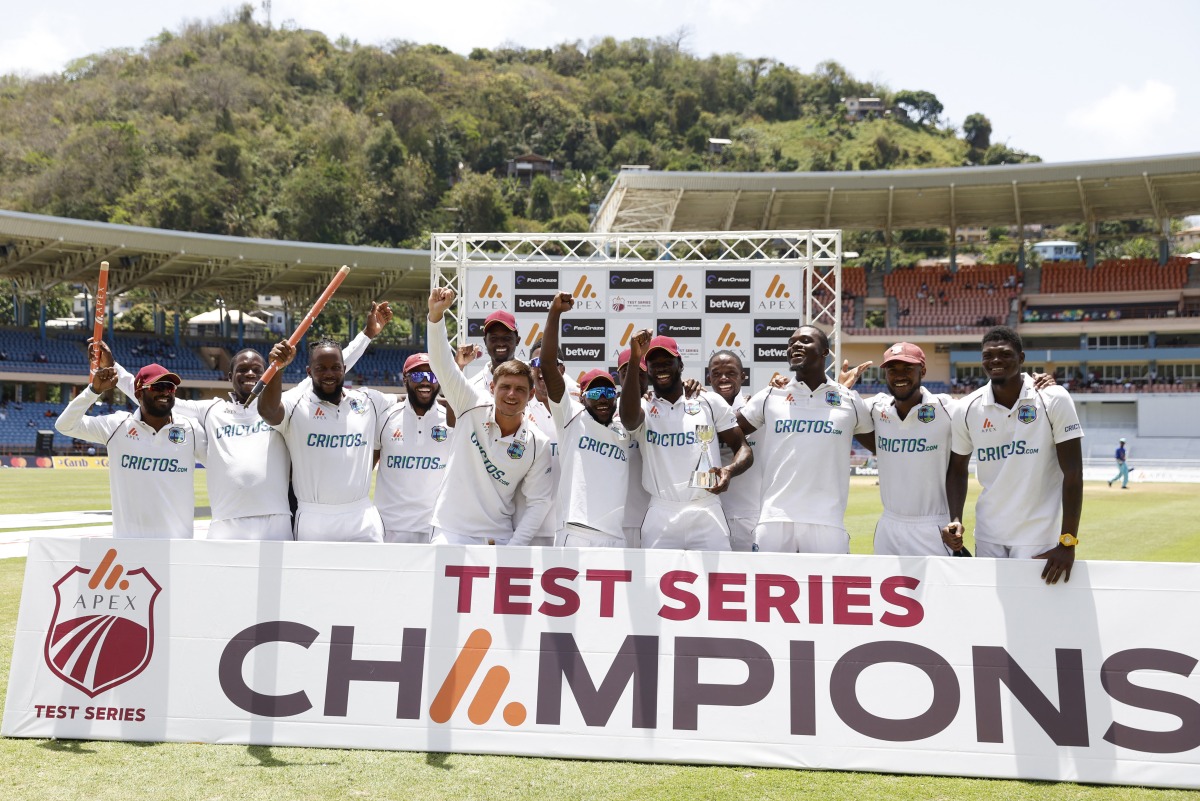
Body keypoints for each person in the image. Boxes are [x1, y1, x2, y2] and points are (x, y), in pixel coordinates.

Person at [96, 304, 389, 540]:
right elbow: (154, 396)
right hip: (227, 521)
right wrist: (114, 369)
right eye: (243, 369)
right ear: (229, 376)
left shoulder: (286, 402)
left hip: (276, 520)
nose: (250, 374)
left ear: (269, 372)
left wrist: (367, 334)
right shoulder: (210, 411)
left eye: (257, 369)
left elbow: (333, 367)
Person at [945, 326, 1083, 585]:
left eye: (1005, 354)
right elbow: (957, 468)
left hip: (1038, 534)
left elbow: (1074, 473)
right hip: (988, 534)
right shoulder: (967, 408)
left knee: (1034, 617)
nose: (995, 360)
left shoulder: (1053, 399)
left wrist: (1068, 541)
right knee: (992, 615)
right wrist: (955, 519)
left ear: (1021, 358)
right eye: (988, 355)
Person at [426, 286, 554, 546]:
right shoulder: (470, 404)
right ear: (492, 388)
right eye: (504, 387)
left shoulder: (537, 443)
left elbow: (539, 502)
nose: (511, 394)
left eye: (520, 389)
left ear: (531, 395)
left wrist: (514, 547)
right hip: (451, 531)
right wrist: (436, 318)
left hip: (498, 537)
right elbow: (441, 365)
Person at [736, 326, 873, 554]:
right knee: (766, 588)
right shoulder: (770, 395)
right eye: (791, 343)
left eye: (806, 341)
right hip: (774, 518)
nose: (795, 346)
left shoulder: (849, 400)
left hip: (827, 520)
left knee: (829, 589)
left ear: (824, 352)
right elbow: (729, 431)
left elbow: (881, 447)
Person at [618, 330, 752, 551]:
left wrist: (730, 471)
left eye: (667, 361)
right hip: (661, 512)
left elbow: (743, 449)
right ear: (647, 371)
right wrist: (634, 358)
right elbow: (630, 421)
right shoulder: (644, 407)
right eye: (653, 364)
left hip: (706, 507)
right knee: (655, 580)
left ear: (679, 364)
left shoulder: (709, 401)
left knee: (714, 583)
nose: (660, 368)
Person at [257, 335, 397, 543]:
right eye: (321, 368)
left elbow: (409, 402)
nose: (329, 374)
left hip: (362, 517)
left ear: (344, 368)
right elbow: (267, 411)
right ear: (309, 371)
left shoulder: (368, 400)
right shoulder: (295, 404)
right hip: (314, 519)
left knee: (371, 576)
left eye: (335, 367)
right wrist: (277, 369)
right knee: (315, 577)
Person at [55, 363, 206, 539]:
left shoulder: (191, 429)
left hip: (178, 546)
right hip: (128, 546)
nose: (165, 392)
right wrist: (93, 392)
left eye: (170, 387)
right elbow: (65, 426)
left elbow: (220, 465)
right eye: (157, 387)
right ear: (139, 393)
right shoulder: (116, 425)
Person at [541, 293, 632, 547]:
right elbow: (548, 364)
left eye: (608, 392)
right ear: (582, 397)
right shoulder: (570, 417)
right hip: (577, 532)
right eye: (594, 393)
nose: (602, 399)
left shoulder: (624, 425)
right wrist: (555, 313)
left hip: (615, 535)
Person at [863, 342, 962, 556]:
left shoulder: (948, 409)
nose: (900, 375)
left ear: (923, 371)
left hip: (933, 526)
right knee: (886, 588)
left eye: (908, 368)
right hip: (889, 525)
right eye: (892, 370)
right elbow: (843, 410)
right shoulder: (875, 408)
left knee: (935, 590)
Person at [374, 353, 453, 543]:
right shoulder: (385, 418)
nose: (425, 382)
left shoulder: (451, 421)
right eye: (417, 376)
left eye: (432, 376)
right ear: (405, 380)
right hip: (389, 526)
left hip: (435, 527)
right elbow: (366, 466)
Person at [706, 350, 762, 552]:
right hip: (707, 514)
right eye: (716, 373)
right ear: (709, 377)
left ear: (743, 376)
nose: (723, 379)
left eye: (731, 373)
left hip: (748, 514)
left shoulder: (757, 408)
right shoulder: (697, 409)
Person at [616, 347, 650, 548]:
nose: (634, 378)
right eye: (627, 373)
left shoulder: (660, 406)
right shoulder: (606, 408)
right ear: (618, 376)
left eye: (639, 373)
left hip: (654, 517)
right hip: (615, 521)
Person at [466, 310, 520, 395]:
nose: (500, 344)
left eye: (506, 338)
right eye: (494, 338)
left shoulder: (533, 380)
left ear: (517, 341)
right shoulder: (472, 388)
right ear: (485, 341)